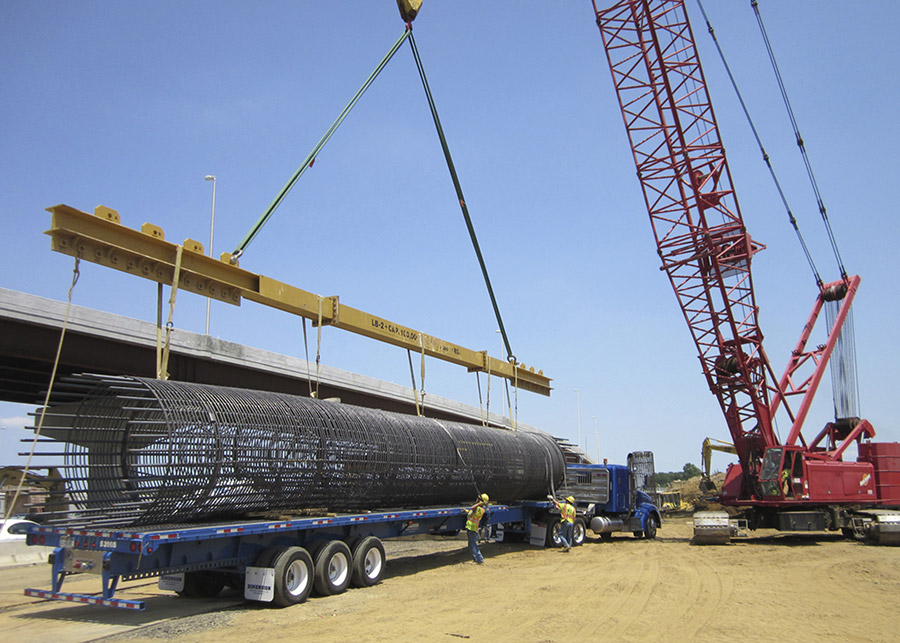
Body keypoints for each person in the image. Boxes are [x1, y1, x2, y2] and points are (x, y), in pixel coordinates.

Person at [465, 493, 490, 564]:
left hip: (472, 529)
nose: (476, 499)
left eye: (478, 499)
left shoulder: (480, 509)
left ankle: (479, 559)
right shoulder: (478, 508)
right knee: (471, 545)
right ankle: (477, 559)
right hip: (471, 528)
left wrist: (479, 504)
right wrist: (466, 511)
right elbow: (471, 512)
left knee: (473, 545)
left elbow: (472, 509)